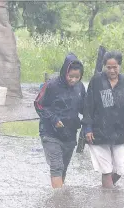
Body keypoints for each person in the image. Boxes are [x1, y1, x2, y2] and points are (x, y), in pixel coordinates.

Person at [82, 51, 124, 188]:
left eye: (115, 67)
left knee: (120, 169)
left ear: (119, 66)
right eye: (108, 67)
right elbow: (88, 107)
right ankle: (108, 203)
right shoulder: (97, 81)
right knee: (106, 170)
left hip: (120, 132)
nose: (112, 70)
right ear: (104, 66)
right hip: (98, 132)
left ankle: (106, 191)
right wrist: (87, 128)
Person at [34, 53, 86, 188]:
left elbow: (84, 108)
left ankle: (60, 201)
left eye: (77, 77)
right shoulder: (51, 85)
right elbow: (39, 104)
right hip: (50, 133)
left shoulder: (80, 88)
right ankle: (58, 201)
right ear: (64, 72)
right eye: (70, 76)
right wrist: (53, 119)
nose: (73, 80)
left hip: (69, 133)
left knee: (63, 169)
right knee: (56, 166)